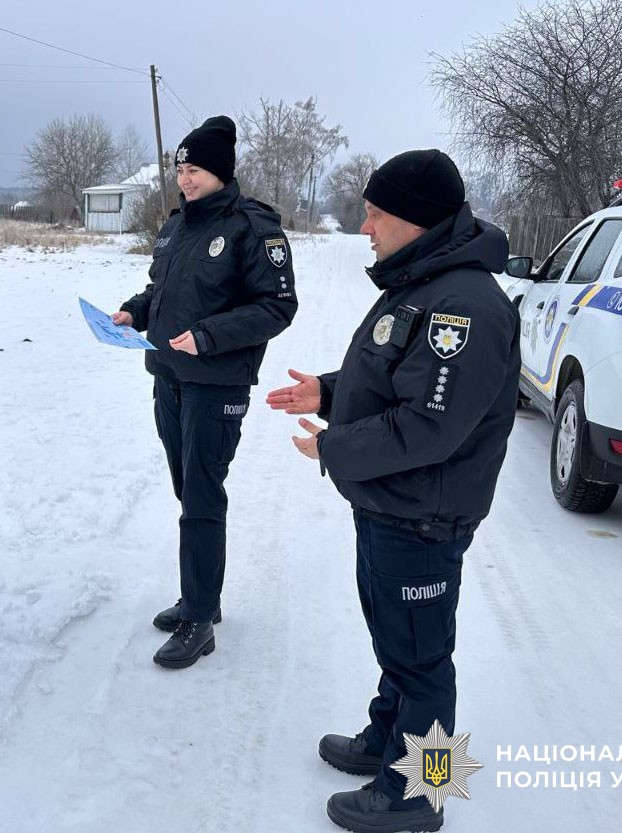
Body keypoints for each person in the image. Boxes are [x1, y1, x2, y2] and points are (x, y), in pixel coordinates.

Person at [266, 150, 520, 832]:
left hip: (423, 514)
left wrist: (333, 444)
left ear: (414, 220)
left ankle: (420, 792)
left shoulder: (463, 307)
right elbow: (392, 373)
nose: (365, 227)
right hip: (391, 505)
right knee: (396, 644)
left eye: (376, 213)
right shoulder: (422, 282)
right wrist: (327, 389)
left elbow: (428, 424)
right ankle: (388, 739)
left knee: (422, 660)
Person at [114, 116, 298, 669]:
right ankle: (202, 595)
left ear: (219, 171)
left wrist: (209, 336)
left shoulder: (253, 228)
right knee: (186, 488)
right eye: (180, 170)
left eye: (194, 170)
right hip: (168, 378)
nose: (184, 180)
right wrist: (135, 311)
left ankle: (200, 615)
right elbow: (162, 289)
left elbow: (277, 307)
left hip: (215, 385)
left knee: (201, 494)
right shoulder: (175, 228)